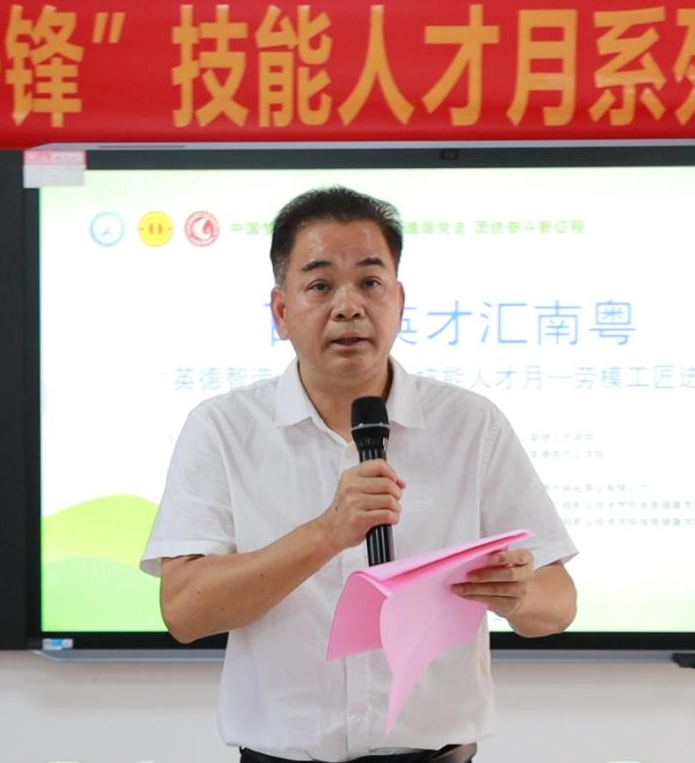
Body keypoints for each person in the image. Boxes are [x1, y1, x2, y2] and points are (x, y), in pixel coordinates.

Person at [140, 186, 578, 763]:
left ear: (399, 300)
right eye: (320, 285)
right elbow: (185, 611)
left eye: (370, 282)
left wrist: (518, 595)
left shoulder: (472, 425)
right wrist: (326, 532)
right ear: (281, 311)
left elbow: (559, 603)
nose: (349, 306)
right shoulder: (223, 428)